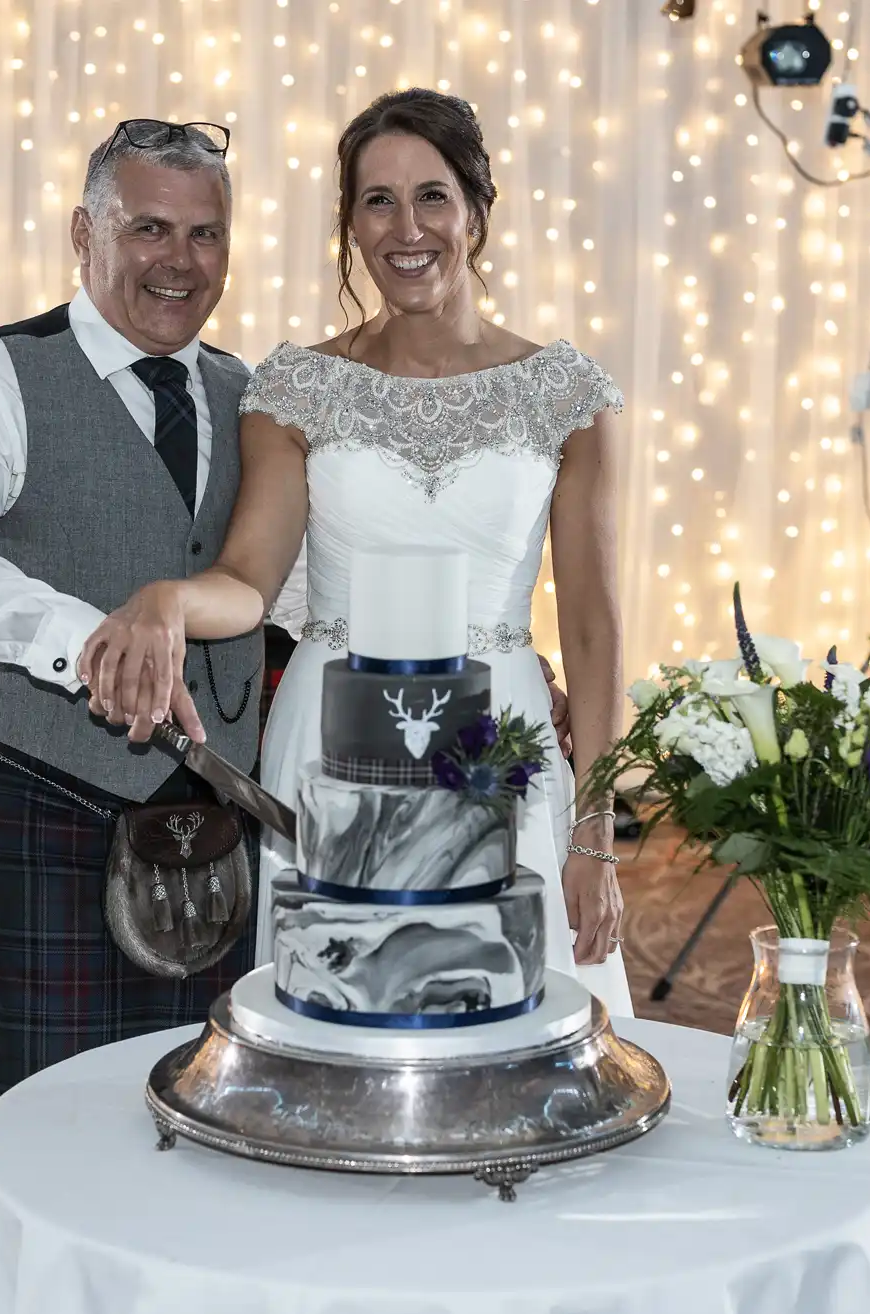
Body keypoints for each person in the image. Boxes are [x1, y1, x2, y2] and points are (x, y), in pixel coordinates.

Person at [80, 89, 634, 1016]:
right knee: (335, 1028)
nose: (405, 228)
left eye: (432, 196)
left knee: (514, 1030)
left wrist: (595, 833)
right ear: (349, 224)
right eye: (377, 201)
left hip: (500, 735)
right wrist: (167, 601)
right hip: (331, 741)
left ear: (477, 212)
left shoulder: (567, 396)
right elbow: (248, 583)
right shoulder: (297, 388)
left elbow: (593, 623)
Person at [0, 119, 263, 1140]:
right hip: (36, 795)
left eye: (205, 235)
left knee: (209, 1121)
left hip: (213, 822)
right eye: (148, 229)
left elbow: (291, 588)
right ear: (81, 232)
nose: (179, 263)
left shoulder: (250, 394)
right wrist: (87, 641)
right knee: (32, 1132)